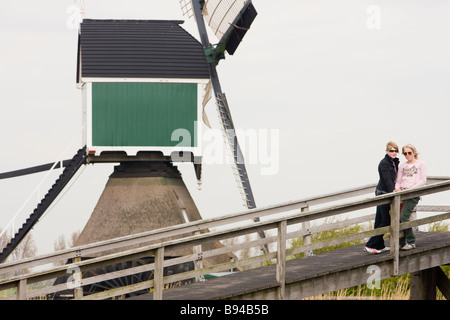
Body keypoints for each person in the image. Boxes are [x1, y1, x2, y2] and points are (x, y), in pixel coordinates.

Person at [364, 141, 400, 254]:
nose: (393, 153)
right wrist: (393, 190)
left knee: (379, 220)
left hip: (385, 192)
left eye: (395, 151)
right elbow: (387, 179)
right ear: (387, 151)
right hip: (383, 193)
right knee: (386, 220)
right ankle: (370, 244)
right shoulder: (384, 163)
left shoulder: (394, 162)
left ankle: (379, 245)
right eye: (391, 150)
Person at [394, 144, 427, 250]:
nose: (407, 155)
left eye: (409, 153)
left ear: (414, 152)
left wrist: (411, 188)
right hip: (402, 194)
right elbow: (398, 181)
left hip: (413, 194)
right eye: (405, 153)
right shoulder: (402, 166)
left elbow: (423, 180)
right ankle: (401, 243)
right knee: (397, 218)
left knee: (403, 217)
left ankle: (411, 241)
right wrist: (397, 189)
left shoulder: (420, 163)